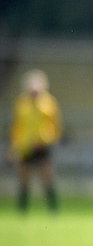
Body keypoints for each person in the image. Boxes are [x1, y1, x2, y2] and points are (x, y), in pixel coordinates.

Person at [8, 69, 62, 214]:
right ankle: (22, 211)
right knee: (24, 177)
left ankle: (54, 211)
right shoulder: (21, 103)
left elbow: (54, 125)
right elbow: (18, 127)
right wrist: (15, 147)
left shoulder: (49, 103)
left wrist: (47, 139)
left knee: (47, 177)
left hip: (43, 144)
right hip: (26, 145)